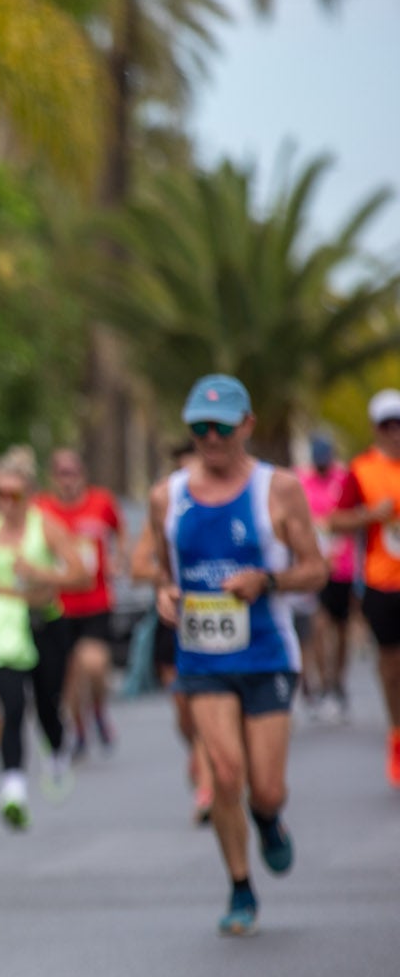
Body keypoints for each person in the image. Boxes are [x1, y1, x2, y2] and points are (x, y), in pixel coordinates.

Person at [145, 375, 325, 934]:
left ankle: (268, 819)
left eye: (222, 427)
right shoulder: (167, 495)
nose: (211, 437)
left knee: (265, 787)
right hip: (202, 658)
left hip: (267, 655)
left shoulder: (279, 488)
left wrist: (268, 580)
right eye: (199, 427)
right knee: (225, 773)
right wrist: (164, 591)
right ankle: (240, 887)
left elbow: (316, 567)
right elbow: (156, 562)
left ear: (246, 425)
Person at [0, 449, 89, 828]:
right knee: (11, 706)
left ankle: (57, 747)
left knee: (47, 704)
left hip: (44, 621)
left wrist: (41, 574)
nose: (5, 503)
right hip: (3, 625)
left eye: (13, 495)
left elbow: (81, 574)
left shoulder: (45, 526)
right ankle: (12, 789)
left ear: (29, 494)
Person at [133, 441, 215, 826]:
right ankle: (199, 755)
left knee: (208, 705)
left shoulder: (225, 504)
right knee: (184, 708)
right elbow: (137, 567)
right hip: (175, 620)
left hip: (218, 620)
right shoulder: (166, 510)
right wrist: (169, 577)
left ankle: (209, 784)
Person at [37, 449, 126, 760]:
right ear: (53, 477)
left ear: (83, 475)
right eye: (61, 472)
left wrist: (118, 557)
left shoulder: (101, 502)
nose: (67, 479)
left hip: (96, 600)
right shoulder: (42, 509)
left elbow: (120, 532)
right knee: (71, 675)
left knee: (95, 663)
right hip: (59, 605)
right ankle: (80, 730)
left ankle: (99, 708)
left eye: (72, 472)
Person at [331, 390, 400, 784]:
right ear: (376, 429)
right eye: (388, 425)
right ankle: (396, 734)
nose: (396, 433)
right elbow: (335, 521)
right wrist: (369, 515)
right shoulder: (361, 471)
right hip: (381, 581)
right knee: (391, 665)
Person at [294, 435, 356, 723]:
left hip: (343, 566)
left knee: (342, 629)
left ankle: (337, 683)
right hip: (315, 567)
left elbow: (353, 516)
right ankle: (320, 686)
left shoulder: (344, 479)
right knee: (318, 626)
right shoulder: (301, 482)